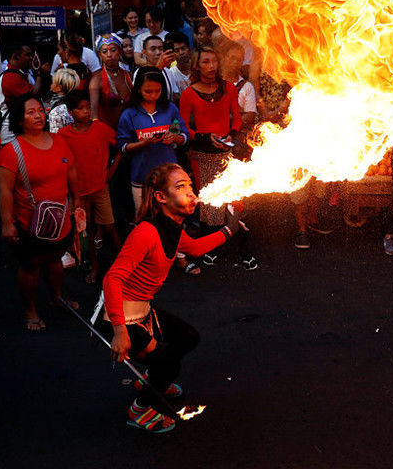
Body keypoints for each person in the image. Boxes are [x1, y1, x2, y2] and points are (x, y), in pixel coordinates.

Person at [100, 162, 241, 433]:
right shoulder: (146, 232)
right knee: (169, 365)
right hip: (118, 316)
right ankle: (140, 408)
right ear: (161, 197)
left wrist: (229, 229)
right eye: (180, 187)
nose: (190, 191)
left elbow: (196, 247)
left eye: (189, 184)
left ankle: (154, 380)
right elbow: (112, 278)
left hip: (143, 310)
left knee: (188, 338)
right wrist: (119, 331)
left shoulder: (173, 228)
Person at [0, 96, 82, 332]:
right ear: (19, 120)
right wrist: (7, 224)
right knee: (31, 265)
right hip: (29, 222)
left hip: (60, 219)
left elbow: (71, 170)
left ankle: (56, 297)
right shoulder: (11, 151)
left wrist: (77, 200)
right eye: (30, 112)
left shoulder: (59, 140)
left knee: (55, 259)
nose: (38, 116)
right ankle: (30, 310)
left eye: (40, 111)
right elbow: (4, 191)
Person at [179, 48, 256, 270]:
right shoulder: (188, 94)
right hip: (202, 157)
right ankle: (212, 248)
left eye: (214, 61)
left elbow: (237, 118)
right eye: (205, 62)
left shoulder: (229, 88)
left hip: (226, 153)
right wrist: (205, 137)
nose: (211, 66)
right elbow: (185, 129)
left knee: (235, 202)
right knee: (211, 207)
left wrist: (231, 133)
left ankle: (245, 251)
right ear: (197, 66)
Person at [58, 90, 122, 283]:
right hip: (78, 192)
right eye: (81, 109)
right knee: (86, 231)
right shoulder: (63, 135)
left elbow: (120, 145)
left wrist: (111, 169)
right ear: (70, 112)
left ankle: (123, 262)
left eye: (88, 108)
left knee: (110, 226)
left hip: (100, 187)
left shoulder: (100, 128)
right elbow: (62, 164)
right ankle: (94, 267)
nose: (86, 112)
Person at [117, 68, 190, 213]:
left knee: (172, 217)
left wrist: (175, 137)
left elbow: (182, 135)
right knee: (145, 218)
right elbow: (123, 146)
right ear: (138, 89)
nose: (154, 95)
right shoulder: (130, 114)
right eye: (148, 91)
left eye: (158, 91)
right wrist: (142, 144)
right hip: (142, 177)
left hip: (170, 178)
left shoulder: (170, 109)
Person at [0, 44, 49, 148]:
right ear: (15, 56)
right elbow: (35, 95)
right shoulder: (10, 77)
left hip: (20, 132)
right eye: (28, 55)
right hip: (12, 136)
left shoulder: (23, 74)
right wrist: (40, 74)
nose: (31, 58)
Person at [90, 35, 132, 128]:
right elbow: (94, 113)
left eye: (113, 50)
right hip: (108, 132)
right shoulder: (96, 81)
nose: (109, 55)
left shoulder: (129, 76)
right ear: (100, 55)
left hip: (130, 130)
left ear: (120, 51)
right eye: (104, 51)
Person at [47, 67, 82, 133]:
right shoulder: (76, 104)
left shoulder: (57, 111)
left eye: (53, 83)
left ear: (59, 88)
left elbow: (56, 137)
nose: (51, 85)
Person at [162, 31, 193, 102]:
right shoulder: (171, 73)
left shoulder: (199, 68)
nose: (181, 53)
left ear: (189, 49)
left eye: (183, 48)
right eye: (177, 50)